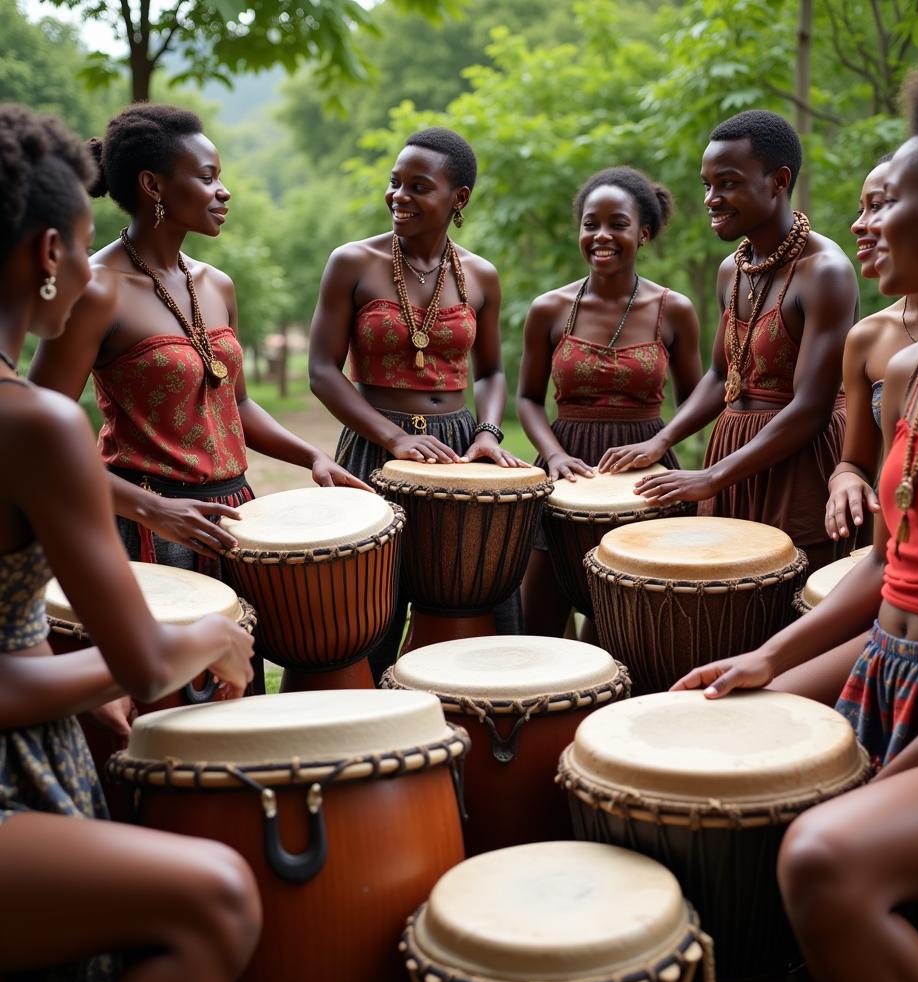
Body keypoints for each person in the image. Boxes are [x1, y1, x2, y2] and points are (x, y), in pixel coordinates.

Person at [676, 49, 918, 982]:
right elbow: (887, 558)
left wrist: (888, 777)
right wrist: (765, 655)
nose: (863, 222)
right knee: (731, 739)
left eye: (888, 202)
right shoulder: (915, 369)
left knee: (823, 847)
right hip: (888, 665)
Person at [0, 103, 260, 982]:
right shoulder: (35, 421)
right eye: (76, 240)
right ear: (46, 255)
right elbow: (148, 664)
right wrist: (210, 632)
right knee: (215, 894)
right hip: (144, 558)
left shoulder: (212, 283)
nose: (86, 263)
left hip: (220, 521)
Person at [29, 103, 370, 577]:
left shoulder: (216, 284)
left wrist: (311, 456)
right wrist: (152, 510)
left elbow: (239, 405)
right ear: (153, 186)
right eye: (208, 178)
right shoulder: (95, 290)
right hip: (144, 519)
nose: (224, 192)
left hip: (234, 513)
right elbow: (35, 439)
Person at [308, 126, 528, 669]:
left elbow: (492, 372)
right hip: (373, 444)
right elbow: (321, 371)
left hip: (456, 449)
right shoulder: (353, 262)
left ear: (459, 199)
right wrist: (394, 438)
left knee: (474, 594)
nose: (398, 197)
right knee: (370, 609)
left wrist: (486, 432)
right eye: (395, 182)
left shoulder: (480, 275)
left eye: (417, 186)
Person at [600, 110, 858, 573]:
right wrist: (662, 440)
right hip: (734, 452)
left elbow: (811, 407)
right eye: (707, 185)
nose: (711, 199)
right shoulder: (733, 269)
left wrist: (713, 476)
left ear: (778, 181)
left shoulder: (826, 272)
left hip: (797, 461)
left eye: (728, 183)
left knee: (786, 606)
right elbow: (722, 375)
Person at [517, 166, 701, 636]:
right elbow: (527, 400)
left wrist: (660, 443)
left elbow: (699, 396)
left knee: (625, 629)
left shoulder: (673, 309)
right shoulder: (549, 309)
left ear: (643, 233)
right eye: (590, 223)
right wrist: (554, 455)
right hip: (564, 474)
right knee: (537, 622)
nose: (601, 235)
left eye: (617, 224)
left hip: (643, 477)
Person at [825, 155, 918, 544]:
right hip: (891, 538)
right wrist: (844, 482)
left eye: (877, 206)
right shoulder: (868, 337)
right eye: (860, 209)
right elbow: (855, 461)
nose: (859, 224)